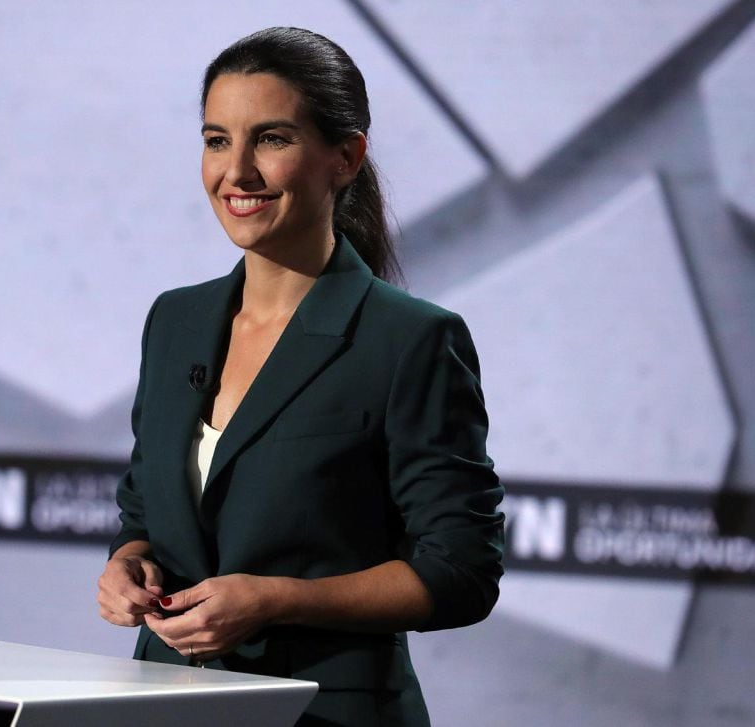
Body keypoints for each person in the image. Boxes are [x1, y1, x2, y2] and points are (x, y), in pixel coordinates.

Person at [96, 26, 504, 727]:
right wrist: (128, 564)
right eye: (217, 139)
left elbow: (460, 570)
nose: (237, 172)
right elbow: (145, 510)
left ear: (345, 158)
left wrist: (276, 599)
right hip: (162, 703)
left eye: (272, 139)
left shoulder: (411, 339)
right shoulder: (175, 321)